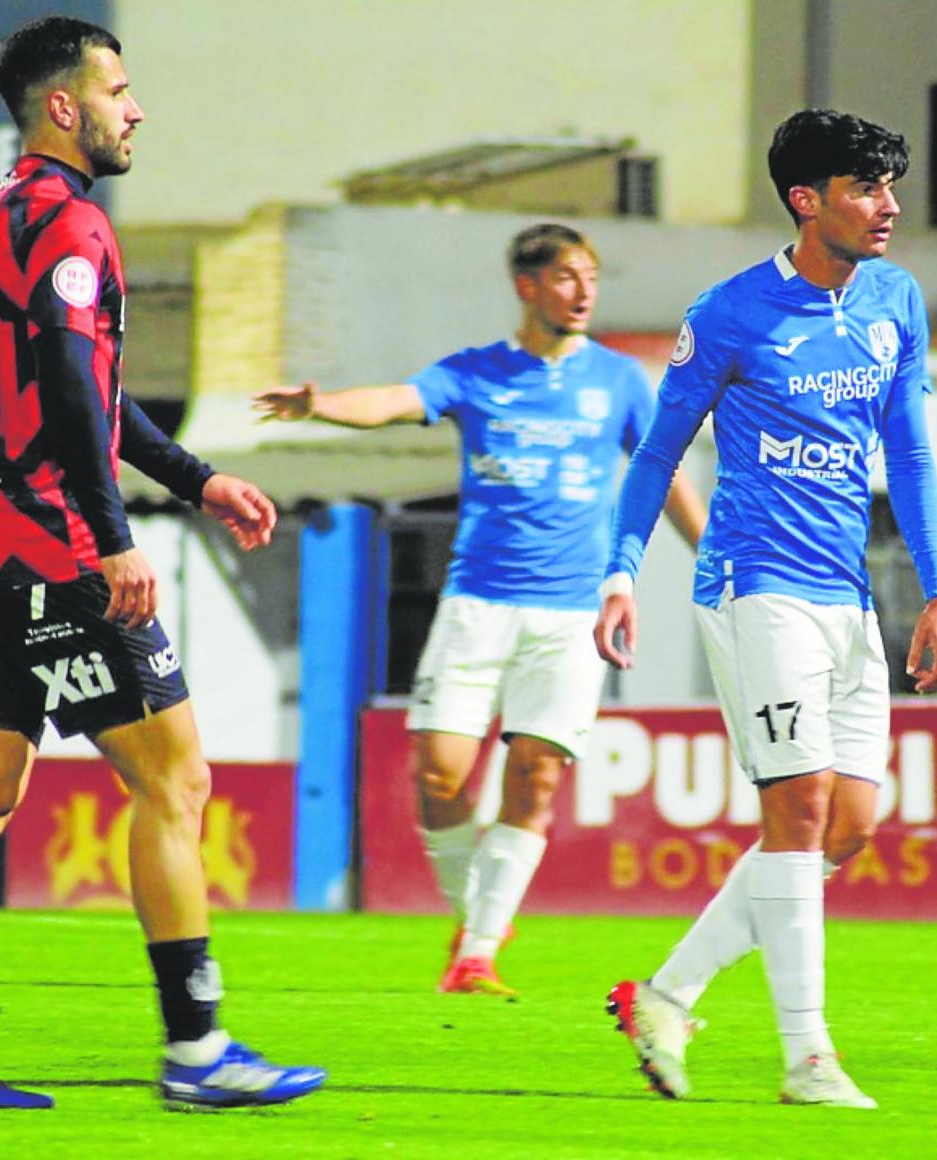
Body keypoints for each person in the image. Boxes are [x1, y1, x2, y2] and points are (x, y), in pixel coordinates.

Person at [0, 16, 325, 1112]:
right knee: (174, 777)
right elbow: (80, 399)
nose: (136, 109)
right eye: (120, 90)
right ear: (65, 107)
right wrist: (119, 534)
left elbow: (70, 376)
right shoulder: (73, 221)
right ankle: (197, 1050)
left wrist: (197, 477)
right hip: (50, 545)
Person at [594, 109, 937, 1109]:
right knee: (797, 813)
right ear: (807, 200)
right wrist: (622, 567)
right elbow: (659, 451)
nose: (889, 207)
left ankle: (667, 994)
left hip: (848, 593)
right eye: (865, 188)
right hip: (755, 587)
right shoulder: (729, 312)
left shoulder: (895, 299)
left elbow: (914, 455)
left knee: (846, 827)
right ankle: (808, 1059)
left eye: (891, 186)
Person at [255, 223, 706, 996]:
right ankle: (479, 915)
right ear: (528, 287)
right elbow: (397, 400)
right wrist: (321, 404)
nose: (584, 290)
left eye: (591, 276)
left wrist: (714, 556)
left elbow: (661, 471)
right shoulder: (475, 372)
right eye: (567, 277)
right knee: (439, 778)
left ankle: (478, 954)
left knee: (534, 779)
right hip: (477, 605)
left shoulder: (622, 381)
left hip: (569, 615)